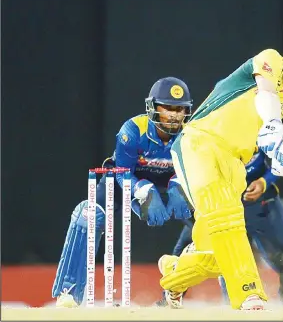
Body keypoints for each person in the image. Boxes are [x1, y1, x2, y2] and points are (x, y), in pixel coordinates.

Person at [159, 39, 283, 310]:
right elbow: (265, 93)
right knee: (226, 220)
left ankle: (173, 274)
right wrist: (271, 125)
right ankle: (249, 293)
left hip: (235, 165)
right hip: (199, 143)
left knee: (218, 253)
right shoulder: (273, 61)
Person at [52, 77, 194, 307]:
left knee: (209, 225)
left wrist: (179, 186)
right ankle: (68, 292)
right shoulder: (132, 130)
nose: (175, 115)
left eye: (180, 109)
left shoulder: (192, 134)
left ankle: (176, 294)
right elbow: (121, 172)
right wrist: (143, 191)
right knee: (88, 216)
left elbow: (194, 167)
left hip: (172, 181)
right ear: (153, 107)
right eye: (168, 108)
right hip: (127, 179)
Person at [157, 148, 283, 307]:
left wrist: (265, 180)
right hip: (218, 203)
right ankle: (171, 296)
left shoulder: (258, 127)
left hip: (260, 204)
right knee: (192, 249)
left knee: (281, 253)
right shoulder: (205, 131)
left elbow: (280, 158)